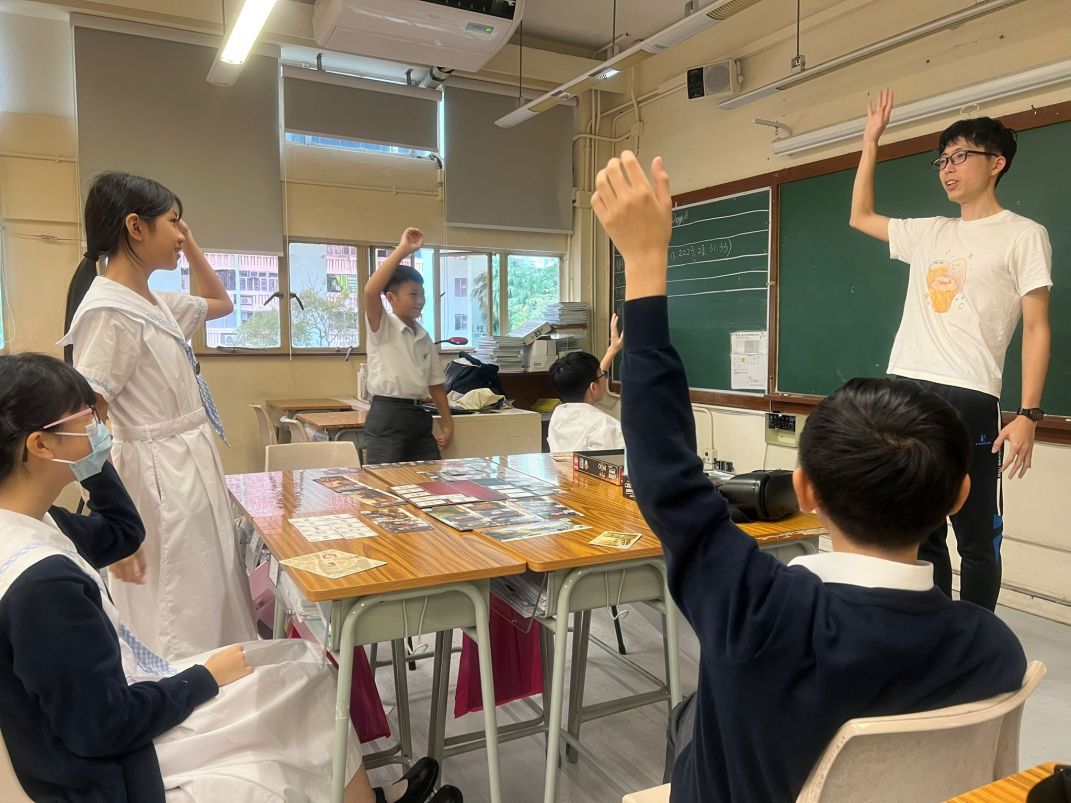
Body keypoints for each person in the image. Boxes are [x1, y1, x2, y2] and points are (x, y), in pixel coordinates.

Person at [592, 151, 1027, 802]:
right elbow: (667, 477)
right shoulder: (991, 648)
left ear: (803, 492)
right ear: (958, 495)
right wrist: (646, 267)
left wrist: (645, 264)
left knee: (690, 721)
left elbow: (663, 474)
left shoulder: (756, 608)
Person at [0, 353, 462, 803]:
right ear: (40, 445)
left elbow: (122, 534)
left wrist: (92, 465)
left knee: (300, 665)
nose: (100, 424)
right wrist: (203, 678)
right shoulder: (43, 585)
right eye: (86, 417)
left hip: (106, 715)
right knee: (299, 685)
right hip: (104, 766)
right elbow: (101, 728)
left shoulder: (36, 523)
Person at [849, 89, 1053, 610]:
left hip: (970, 395)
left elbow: (1036, 329)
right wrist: (870, 143)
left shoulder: (1024, 236)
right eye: (942, 160)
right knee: (921, 528)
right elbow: (860, 216)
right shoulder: (930, 232)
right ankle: (933, 630)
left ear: (996, 162)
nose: (948, 169)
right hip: (906, 389)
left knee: (977, 537)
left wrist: (1029, 414)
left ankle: (976, 640)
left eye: (960, 156)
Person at [60, 171, 256, 659]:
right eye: (173, 222)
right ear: (135, 227)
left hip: (187, 462)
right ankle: (181, 688)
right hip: (157, 475)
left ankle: (217, 679)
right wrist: (111, 518)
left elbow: (221, 302)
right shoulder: (110, 311)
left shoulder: (153, 303)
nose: (180, 233)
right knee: (176, 606)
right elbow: (84, 423)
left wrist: (189, 243)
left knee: (208, 591)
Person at [363, 228, 454, 464]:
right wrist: (403, 249)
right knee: (385, 481)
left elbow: (436, 385)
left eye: (422, 294)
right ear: (391, 298)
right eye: (413, 294)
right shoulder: (382, 325)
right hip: (387, 415)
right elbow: (371, 291)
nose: (420, 301)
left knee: (428, 478)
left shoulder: (423, 336)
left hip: (418, 416)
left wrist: (448, 424)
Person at [546, 313, 624, 451]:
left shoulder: (558, 416)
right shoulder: (607, 427)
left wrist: (612, 350)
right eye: (603, 375)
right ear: (593, 388)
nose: (605, 378)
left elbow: (590, 378)